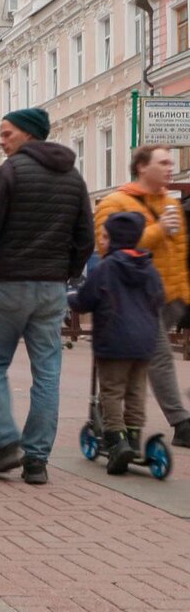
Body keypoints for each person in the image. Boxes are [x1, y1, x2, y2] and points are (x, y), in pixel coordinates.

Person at [0, 107, 94, 485]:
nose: (1, 140)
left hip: (7, 284)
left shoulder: (8, 173)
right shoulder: (74, 178)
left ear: (27, 134)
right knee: (48, 372)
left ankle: (7, 441)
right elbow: (86, 238)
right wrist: (66, 272)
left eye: (7, 133)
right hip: (52, 288)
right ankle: (37, 460)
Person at [93, 145, 190, 448]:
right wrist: (158, 230)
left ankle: (110, 415)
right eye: (163, 162)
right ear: (142, 167)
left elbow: (178, 253)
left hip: (171, 298)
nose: (170, 167)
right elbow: (109, 249)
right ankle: (181, 423)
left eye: (171, 162)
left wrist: (184, 295)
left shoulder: (170, 204)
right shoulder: (115, 202)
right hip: (136, 299)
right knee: (158, 357)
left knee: (137, 363)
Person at [68, 212, 165, 474]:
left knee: (111, 391)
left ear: (115, 239)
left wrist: (70, 298)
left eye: (104, 235)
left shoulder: (106, 268)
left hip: (113, 341)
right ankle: (133, 437)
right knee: (135, 391)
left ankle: (116, 440)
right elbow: (159, 297)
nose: (101, 238)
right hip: (145, 343)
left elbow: (86, 300)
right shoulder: (149, 266)